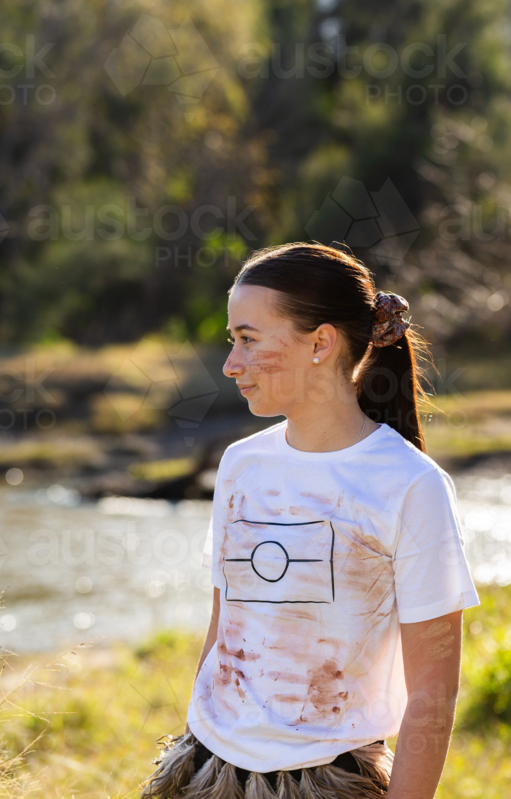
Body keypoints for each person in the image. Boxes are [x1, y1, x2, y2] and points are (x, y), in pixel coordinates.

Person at [142, 242, 479, 799]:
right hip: (207, 770)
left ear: (321, 343)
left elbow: (433, 698)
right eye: (233, 341)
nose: (231, 364)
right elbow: (223, 631)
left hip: (330, 782)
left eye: (248, 340)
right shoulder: (240, 466)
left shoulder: (412, 486)